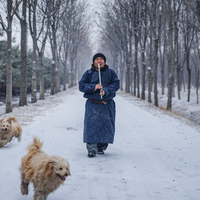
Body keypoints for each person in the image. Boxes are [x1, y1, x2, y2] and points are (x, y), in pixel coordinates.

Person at [79, 53, 120, 157]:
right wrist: (94, 87)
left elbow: (116, 84)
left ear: (104, 61)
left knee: (106, 126)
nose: (99, 61)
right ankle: (92, 149)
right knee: (91, 127)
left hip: (107, 104)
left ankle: (101, 147)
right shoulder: (88, 73)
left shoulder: (111, 73)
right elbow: (81, 86)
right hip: (92, 104)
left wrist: (106, 90)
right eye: (97, 59)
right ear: (93, 61)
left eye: (101, 59)